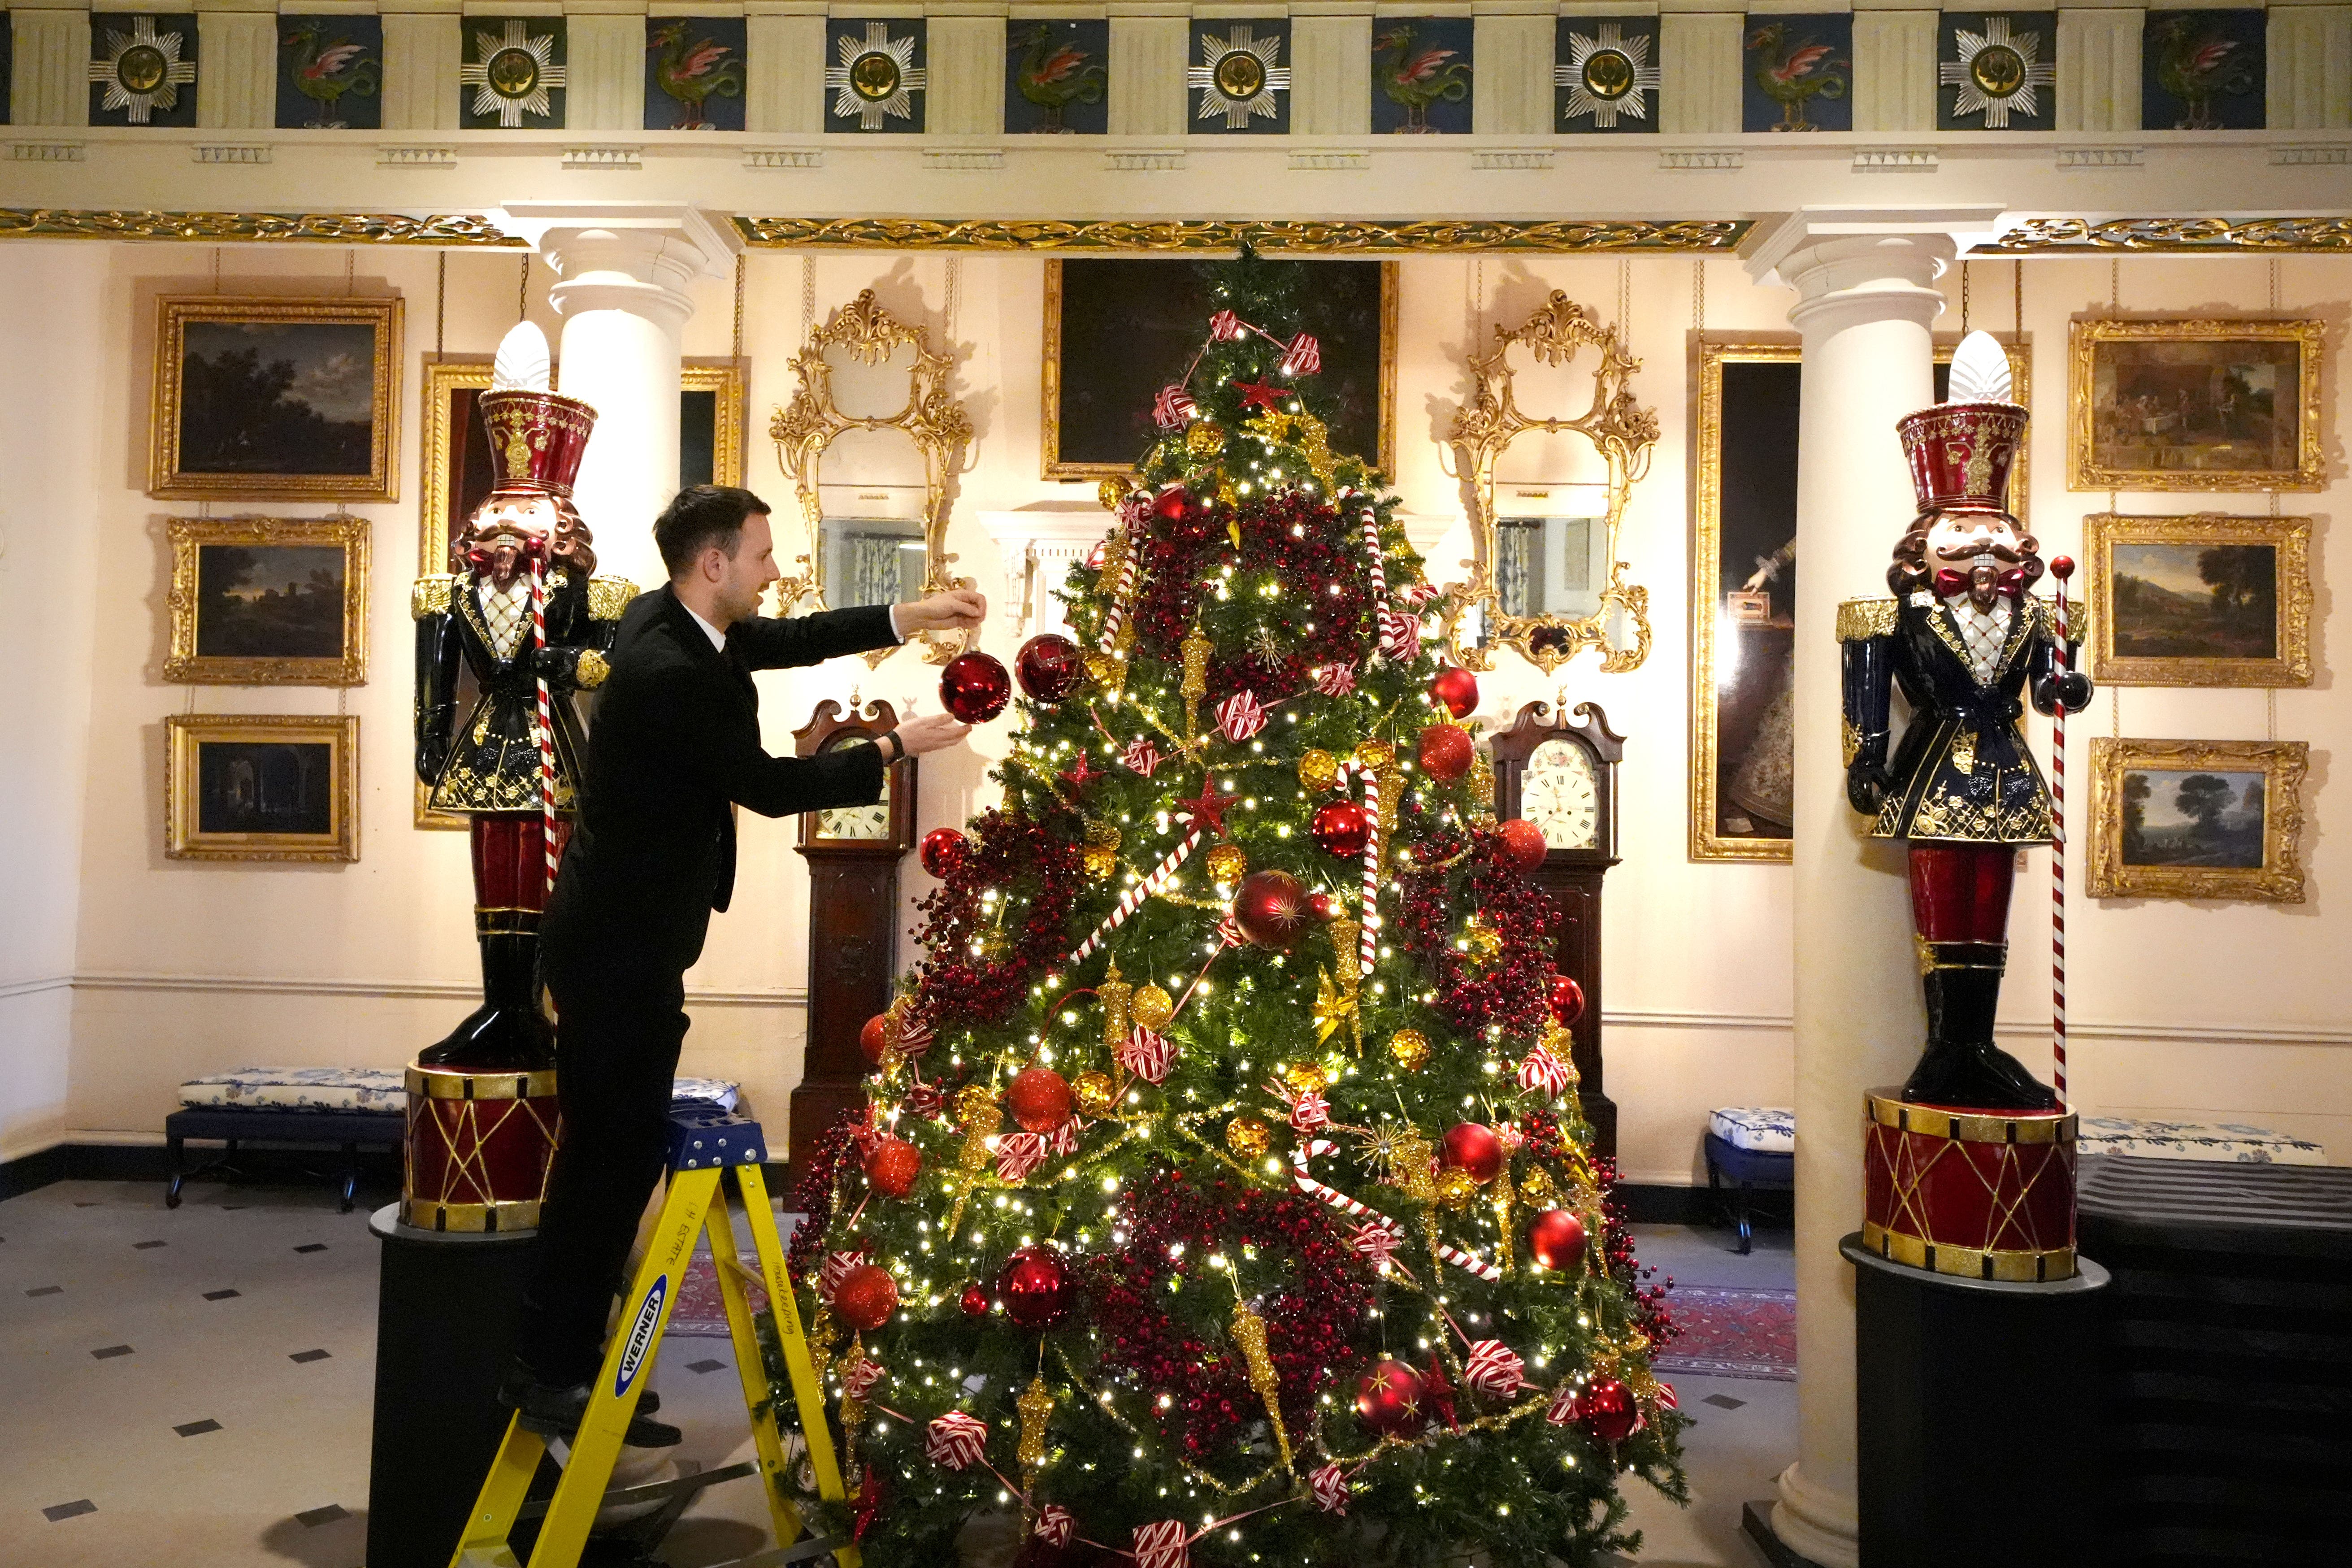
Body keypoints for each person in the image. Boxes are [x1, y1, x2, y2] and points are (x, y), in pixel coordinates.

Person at [500, 483, 982, 1444]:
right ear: (713, 564)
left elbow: (792, 637)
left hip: (627, 938)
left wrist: (911, 614)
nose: (773, 574)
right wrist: (895, 745)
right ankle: (551, 1367)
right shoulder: (667, 670)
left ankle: (570, 1361)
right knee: (608, 1157)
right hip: (615, 946)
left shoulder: (675, 619)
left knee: (613, 1149)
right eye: (761, 557)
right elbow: (766, 787)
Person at [1839, 334, 2089, 1112]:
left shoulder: (2043, 608)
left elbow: (2052, 696)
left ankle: (1976, 1042)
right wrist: (1864, 757)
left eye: (1995, 537)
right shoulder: (1892, 611)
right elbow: (1866, 689)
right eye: (1965, 538)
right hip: (1932, 764)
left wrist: (2066, 679)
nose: (1984, 555)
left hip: (2007, 768)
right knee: (1945, 896)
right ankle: (1945, 1045)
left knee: (1992, 901)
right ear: (1926, 542)